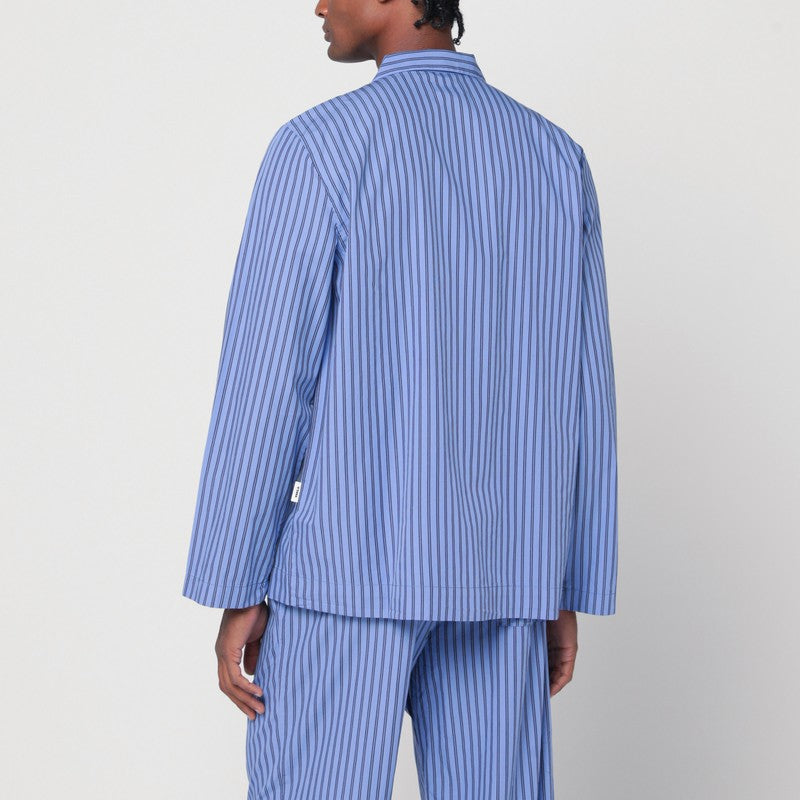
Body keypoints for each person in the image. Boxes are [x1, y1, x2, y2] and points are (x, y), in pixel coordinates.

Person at [181, 1, 619, 798]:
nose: (319, 5)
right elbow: (581, 392)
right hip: (505, 576)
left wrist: (237, 580)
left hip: (347, 574)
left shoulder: (320, 148)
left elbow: (268, 382)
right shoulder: (555, 158)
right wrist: (561, 583)